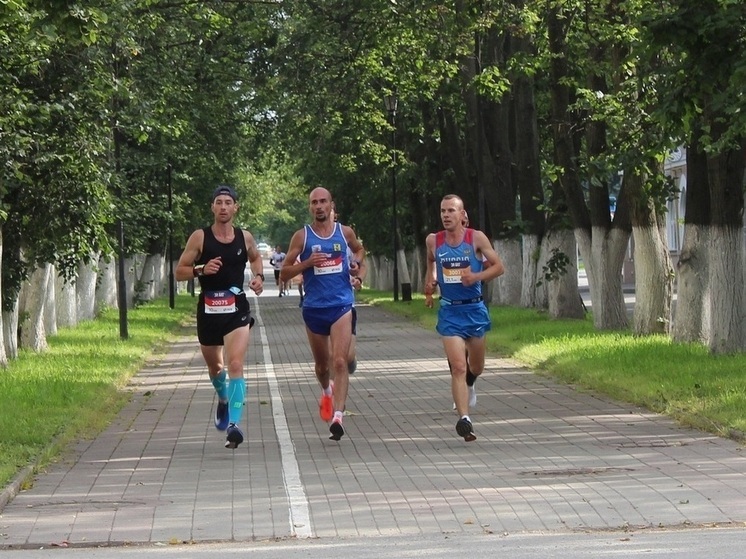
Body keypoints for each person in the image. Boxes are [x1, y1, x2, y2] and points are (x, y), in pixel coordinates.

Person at [175, 185, 265, 449]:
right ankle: (224, 399)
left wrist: (258, 277)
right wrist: (201, 269)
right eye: (219, 202)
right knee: (216, 369)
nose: (223, 207)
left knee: (235, 364)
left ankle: (234, 426)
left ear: (235, 207)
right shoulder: (200, 237)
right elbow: (179, 272)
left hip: (237, 310)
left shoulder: (245, 237)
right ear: (212, 207)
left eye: (228, 202)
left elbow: (256, 258)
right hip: (209, 311)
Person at [280, 187, 365, 441]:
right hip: (314, 308)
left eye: (323, 201)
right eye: (314, 202)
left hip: (341, 305)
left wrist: (357, 268)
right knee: (321, 366)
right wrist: (308, 263)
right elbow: (284, 273)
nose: (318, 206)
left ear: (331, 205)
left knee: (339, 361)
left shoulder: (345, 232)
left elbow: (359, 251)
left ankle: (338, 416)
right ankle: (327, 390)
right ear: (310, 207)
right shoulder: (302, 237)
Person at [424, 194, 504, 442]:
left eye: (451, 210)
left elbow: (498, 267)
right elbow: (431, 262)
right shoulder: (434, 240)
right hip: (450, 311)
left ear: (462, 214)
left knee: (475, 367)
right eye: (443, 211)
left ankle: (470, 384)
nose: (446, 215)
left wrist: (475, 277)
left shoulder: (476, 238)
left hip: (474, 309)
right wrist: (430, 283)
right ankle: (464, 420)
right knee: (458, 366)